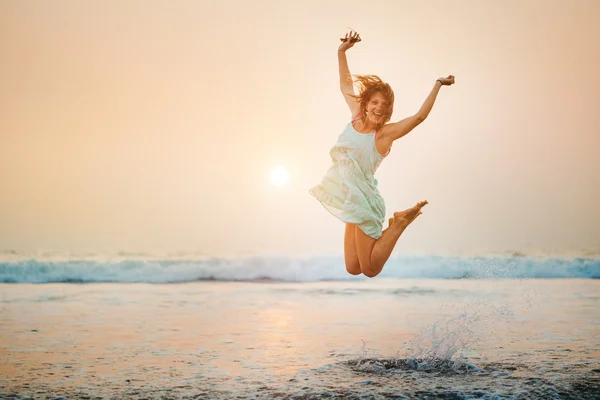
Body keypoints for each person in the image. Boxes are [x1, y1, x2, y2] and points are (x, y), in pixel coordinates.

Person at [309, 31, 455, 278]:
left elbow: (419, 117)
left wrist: (438, 84)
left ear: (388, 112)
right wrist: (341, 51)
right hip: (350, 196)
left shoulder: (384, 135)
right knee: (353, 268)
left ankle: (399, 222)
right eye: (375, 102)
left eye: (384, 106)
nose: (379, 108)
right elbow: (345, 84)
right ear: (366, 103)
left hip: (365, 200)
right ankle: (397, 223)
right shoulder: (355, 115)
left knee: (371, 269)